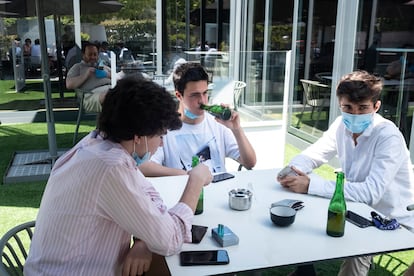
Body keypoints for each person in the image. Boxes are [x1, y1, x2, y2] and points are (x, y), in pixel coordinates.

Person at [24, 76, 213, 275]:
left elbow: (149, 197)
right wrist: (195, 181)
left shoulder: (97, 144)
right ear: (138, 137)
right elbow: (171, 240)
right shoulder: (110, 167)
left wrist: (143, 240)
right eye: (161, 135)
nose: (162, 143)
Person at [277, 70, 414, 276]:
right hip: (359, 210)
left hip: (394, 219)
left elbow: (371, 192)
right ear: (340, 105)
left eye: (363, 108)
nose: (355, 114)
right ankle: (305, 270)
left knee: (355, 251)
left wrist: (310, 185)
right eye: (348, 107)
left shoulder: (388, 137)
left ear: (376, 107)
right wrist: (292, 169)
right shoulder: (341, 125)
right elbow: (315, 153)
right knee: (304, 216)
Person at [139, 62, 256, 176]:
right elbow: (144, 167)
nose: (202, 100)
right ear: (179, 95)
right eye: (195, 95)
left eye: (205, 93)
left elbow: (250, 163)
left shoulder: (218, 123)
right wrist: (187, 175)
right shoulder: (165, 129)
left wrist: (237, 129)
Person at [66, 42, 112, 112]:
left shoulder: (103, 67)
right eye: (90, 55)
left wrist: (107, 74)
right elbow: (69, 85)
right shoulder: (77, 67)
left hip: (110, 90)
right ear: (83, 55)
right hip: (91, 96)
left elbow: (118, 78)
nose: (93, 57)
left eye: (95, 54)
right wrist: (86, 75)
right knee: (111, 96)